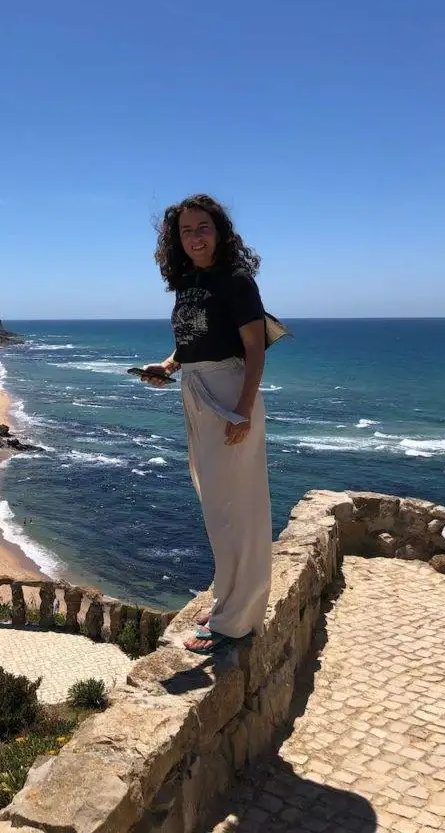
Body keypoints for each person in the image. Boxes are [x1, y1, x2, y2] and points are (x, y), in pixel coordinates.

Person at [140, 194, 273, 654]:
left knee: (240, 508)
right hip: (197, 391)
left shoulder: (236, 280)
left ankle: (236, 620)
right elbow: (193, 341)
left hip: (228, 395)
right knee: (217, 505)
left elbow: (254, 349)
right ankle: (227, 599)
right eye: (186, 231)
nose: (194, 237)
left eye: (203, 228)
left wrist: (243, 410)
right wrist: (168, 366)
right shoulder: (189, 282)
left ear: (219, 232)